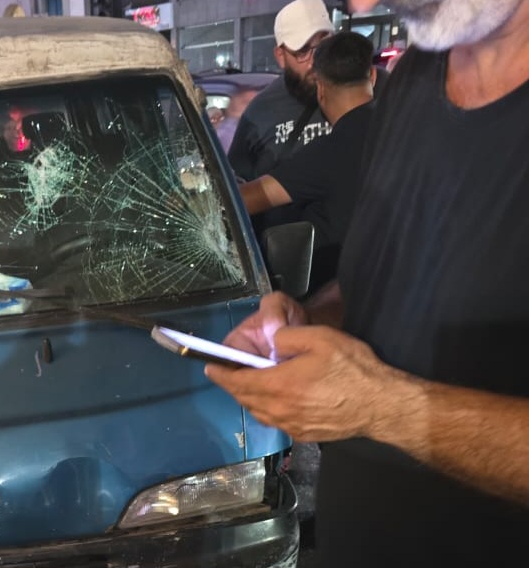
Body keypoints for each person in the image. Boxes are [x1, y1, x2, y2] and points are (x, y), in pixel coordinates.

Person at [205, 0, 529, 566]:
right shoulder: (415, 81)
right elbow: (381, 281)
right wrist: (305, 323)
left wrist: (385, 408)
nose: (359, 4)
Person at [239, 31, 376, 292]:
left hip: (339, 298)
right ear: (372, 75)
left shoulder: (331, 151)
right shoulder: (406, 131)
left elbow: (246, 200)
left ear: (320, 88)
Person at [227, 0, 334, 183]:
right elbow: (237, 186)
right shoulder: (259, 113)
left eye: (323, 47)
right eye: (302, 51)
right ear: (281, 56)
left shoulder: (358, 92)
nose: (315, 61)